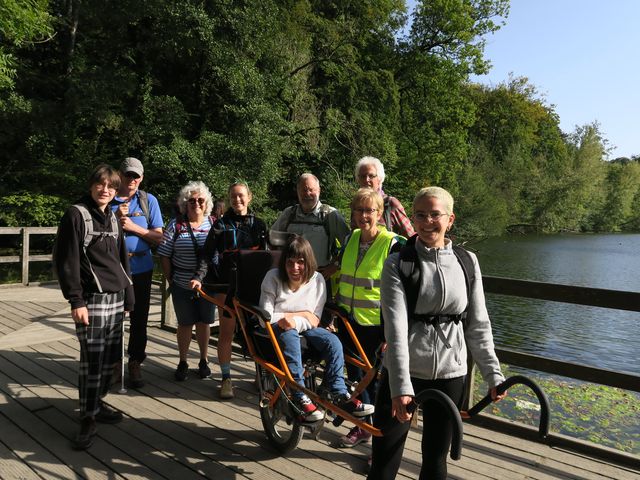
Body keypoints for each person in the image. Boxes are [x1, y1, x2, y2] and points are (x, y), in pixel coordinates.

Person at [368, 187, 506, 480]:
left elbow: (478, 324)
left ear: (450, 219)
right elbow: (396, 328)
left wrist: (493, 374)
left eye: (435, 215)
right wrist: (401, 387)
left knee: (435, 460)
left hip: (450, 374)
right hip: (405, 372)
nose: (427, 221)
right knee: (384, 460)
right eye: (420, 215)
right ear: (412, 218)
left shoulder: (467, 261)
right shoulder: (398, 263)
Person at [55, 164, 134, 450]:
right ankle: (87, 416)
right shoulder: (76, 215)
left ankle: (97, 404)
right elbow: (67, 261)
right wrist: (76, 300)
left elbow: (121, 258)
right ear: (91, 185)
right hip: (91, 300)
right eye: (101, 185)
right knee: (92, 361)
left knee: (111, 359)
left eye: (112, 187)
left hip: (116, 298)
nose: (106, 190)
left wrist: (130, 296)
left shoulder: (113, 216)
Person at [259, 235, 374, 422]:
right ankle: (299, 394)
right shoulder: (273, 278)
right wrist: (301, 315)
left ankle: (337, 391)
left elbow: (315, 318)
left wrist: (294, 320)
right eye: (290, 262)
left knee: (333, 341)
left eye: (300, 262)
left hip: (303, 326)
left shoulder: (317, 280)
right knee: (289, 336)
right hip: (275, 329)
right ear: (283, 263)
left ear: (308, 262)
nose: (295, 268)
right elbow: (266, 316)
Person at [335, 188, 405, 448]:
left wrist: (391, 332)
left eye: (370, 211)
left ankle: (380, 442)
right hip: (348, 322)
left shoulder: (393, 243)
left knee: (378, 385)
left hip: (376, 326)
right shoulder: (351, 238)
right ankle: (363, 428)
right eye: (359, 210)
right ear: (353, 213)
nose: (364, 215)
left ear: (379, 214)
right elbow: (339, 275)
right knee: (356, 379)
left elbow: (401, 293)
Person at [195, 181, 268, 399]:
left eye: (241, 196)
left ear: (250, 197)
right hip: (226, 287)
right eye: (233, 196)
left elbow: (267, 257)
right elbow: (207, 255)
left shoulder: (260, 225)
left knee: (256, 333)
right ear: (229, 199)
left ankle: (260, 374)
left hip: (253, 288)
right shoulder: (220, 225)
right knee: (226, 332)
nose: (237, 200)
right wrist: (199, 277)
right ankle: (226, 379)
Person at [111, 157, 164, 388]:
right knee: (113, 319)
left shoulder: (148, 200)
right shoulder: (106, 197)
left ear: (141, 178)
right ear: (119, 175)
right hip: (113, 270)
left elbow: (159, 236)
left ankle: (134, 362)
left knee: (139, 318)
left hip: (142, 269)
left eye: (136, 176)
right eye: (128, 174)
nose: (132, 179)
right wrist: (114, 218)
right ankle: (113, 364)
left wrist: (133, 227)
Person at [157, 181, 216, 383]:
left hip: (207, 285)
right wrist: (170, 279)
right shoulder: (176, 224)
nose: (196, 203)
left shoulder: (214, 224)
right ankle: (182, 361)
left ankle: (203, 360)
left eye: (200, 200)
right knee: (184, 324)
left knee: (204, 322)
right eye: (192, 200)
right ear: (185, 203)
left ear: (206, 203)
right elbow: (164, 254)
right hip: (181, 283)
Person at [270, 173, 350, 279]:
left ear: (319, 191)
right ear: (297, 192)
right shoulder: (289, 214)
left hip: (319, 278)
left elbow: (350, 244)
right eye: (303, 190)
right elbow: (271, 239)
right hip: (291, 278)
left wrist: (335, 266)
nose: (307, 194)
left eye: (311, 190)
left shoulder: (330, 215)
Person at [352, 156, 414, 238]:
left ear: (380, 178)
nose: (367, 179)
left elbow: (410, 237)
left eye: (371, 176)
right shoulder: (356, 205)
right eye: (363, 176)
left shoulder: (390, 204)